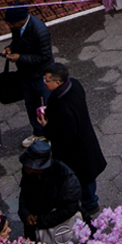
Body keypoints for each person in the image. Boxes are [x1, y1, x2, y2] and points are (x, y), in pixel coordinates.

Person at [39, 63, 107, 218]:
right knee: (87, 177)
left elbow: (64, 135)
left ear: (57, 82)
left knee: (84, 179)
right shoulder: (74, 85)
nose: (44, 82)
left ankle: (90, 205)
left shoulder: (62, 107)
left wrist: (46, 127)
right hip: (86, 141)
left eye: (47, 80)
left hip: (76, 152)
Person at [3, 3, 55, 144]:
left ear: (21, 20)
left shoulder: (39, 30)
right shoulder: (17, 27)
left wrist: (19, 57)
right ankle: (38, 133)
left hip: (41, 75)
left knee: (46, 106)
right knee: (31, 104)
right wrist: (10, 48)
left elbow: (44, 56)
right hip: (26, 74)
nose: (10, 27)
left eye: (11, 23)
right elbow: (16, 42)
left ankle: (52, 135)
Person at [17, 140, 81, 244]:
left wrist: (40, 220)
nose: (25, 167)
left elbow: (69, 209)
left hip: (55, 230)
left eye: (30, 165)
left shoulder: (66, 179)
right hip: (32, 225)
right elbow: (24, 191)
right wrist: (25, 213)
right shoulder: (28, 172)